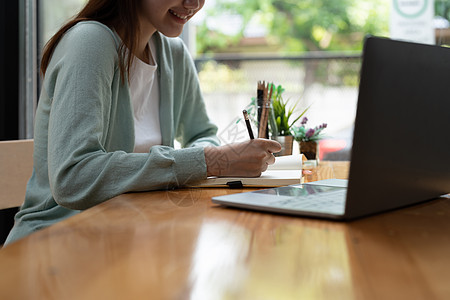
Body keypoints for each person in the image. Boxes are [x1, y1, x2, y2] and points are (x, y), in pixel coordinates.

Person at [4, 0, 281, 245]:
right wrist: (210, 161)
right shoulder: (89, 42)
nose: (194, 3)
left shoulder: (173, 53)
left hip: (132, 233)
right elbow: (72, 177)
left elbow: (202, 134)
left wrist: (210, 156)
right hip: (59, 242)